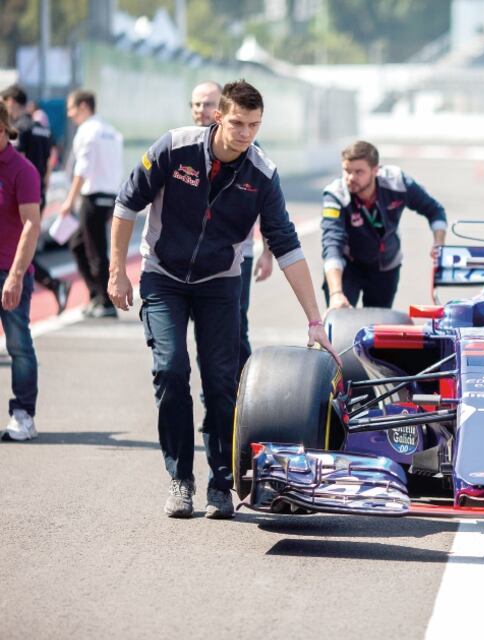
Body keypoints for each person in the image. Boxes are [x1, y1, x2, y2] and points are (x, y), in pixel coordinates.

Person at [109, 79, 336, 520]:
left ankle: (220, 481)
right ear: (218, 117)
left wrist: (314, 318)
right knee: (171, 370)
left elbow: (287, 245)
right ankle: (180, 478)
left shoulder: (262, 173)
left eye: (254, 125)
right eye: (237, 123)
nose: (245, 133)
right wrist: (117, 271)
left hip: (219, 283)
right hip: (163, 276)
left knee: (221, 383)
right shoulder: (174, 147)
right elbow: (125, 204)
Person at [189, 81, 272, 372]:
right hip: (191, 256)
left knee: (234, 326)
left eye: (208, 104)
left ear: (221, 110)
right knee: (205, 328)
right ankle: (214, 393)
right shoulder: (183, 145)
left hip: (236, 255)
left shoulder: (249, 148)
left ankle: (244, 389)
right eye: (196, 104)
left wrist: (267, 253)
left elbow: (269, 207)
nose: (201, 110)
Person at [321, 140, 447, 308]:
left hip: (386, 266)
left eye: (359, 172)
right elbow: (332, 244)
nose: (351, 178)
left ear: (375, 170)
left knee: (378, 321)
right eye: (347, 171)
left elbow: (435, 210)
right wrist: (336, 293)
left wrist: (439, 242)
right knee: (340, 317)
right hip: (348, 267)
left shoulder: (398, 182)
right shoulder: (335, 195)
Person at [2, 85, 70, 313]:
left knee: (16, 248)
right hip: (37, 193)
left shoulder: (19, 129)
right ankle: (54, 284)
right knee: (22, 245)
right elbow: (50, 163)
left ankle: (54, 284)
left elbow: (15, 162)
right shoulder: (42, 129)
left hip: (18, 195)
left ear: (11, 102)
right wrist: (43, 189)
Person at [60, 90, 123, 318]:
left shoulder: (87, 131)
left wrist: (69, 200)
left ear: (84, 106)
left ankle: (105, 302)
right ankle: (97, 295)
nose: (69, 114)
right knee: (78, 245)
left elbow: (82, 169)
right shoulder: (111, 131)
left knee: (95, 250)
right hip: (109, 196)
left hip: (92, 197)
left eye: (71, 108)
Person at [0, 105, 42, 440]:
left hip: (9, 270)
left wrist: (16, 275)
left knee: (18, 345)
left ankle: (24, 414)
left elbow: (31, 224)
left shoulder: (22, 170)